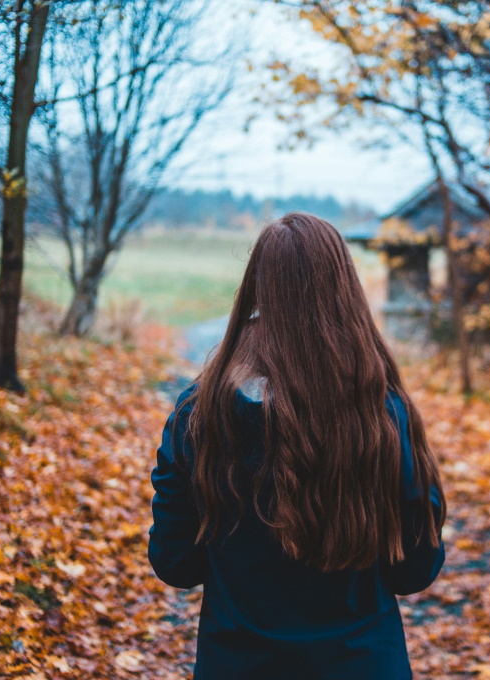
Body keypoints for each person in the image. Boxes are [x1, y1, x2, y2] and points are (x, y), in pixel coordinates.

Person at [148, 212, 446, 679]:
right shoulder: (383, 414)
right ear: (345, 288)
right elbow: (416, 571)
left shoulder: (198, 415)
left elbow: (175, 564)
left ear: (257, 288)